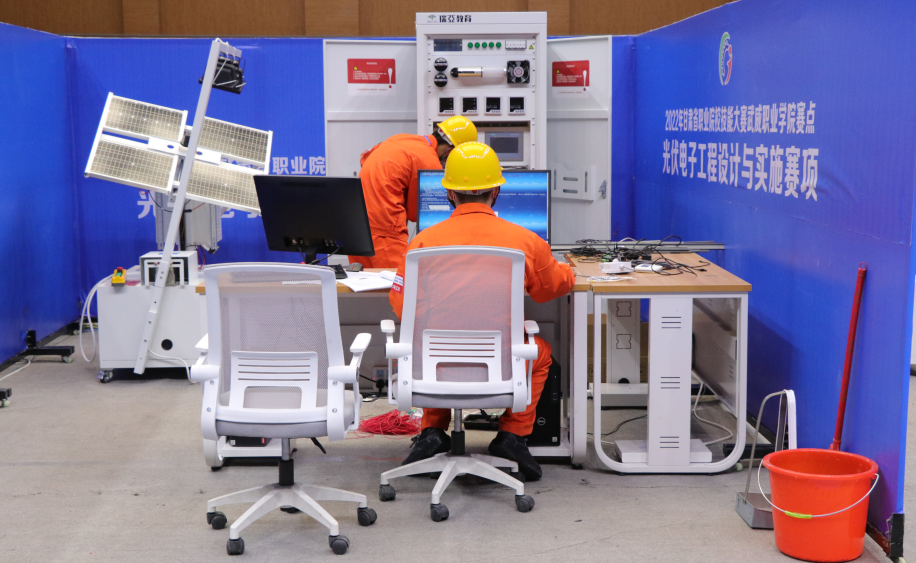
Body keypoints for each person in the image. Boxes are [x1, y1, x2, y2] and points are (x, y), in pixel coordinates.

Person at [388, 142, 575, 480]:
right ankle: (512, 435)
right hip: (500, 362)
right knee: (541, 353)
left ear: (449, 194)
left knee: (427, 341)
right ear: (496, 190)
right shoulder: (526, 241)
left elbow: (403, 307)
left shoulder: (422, 243)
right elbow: (551, 288)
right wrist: (568, 270)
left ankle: (432, 431)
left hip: (438, 362)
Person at [348, 116, 478, 268]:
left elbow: (365, 160)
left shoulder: (401, 139)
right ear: (449, 151)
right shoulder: (428, 160)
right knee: (398, 280)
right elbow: (416, 213)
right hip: (384, 233)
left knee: (366, 281)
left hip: (355, 227)